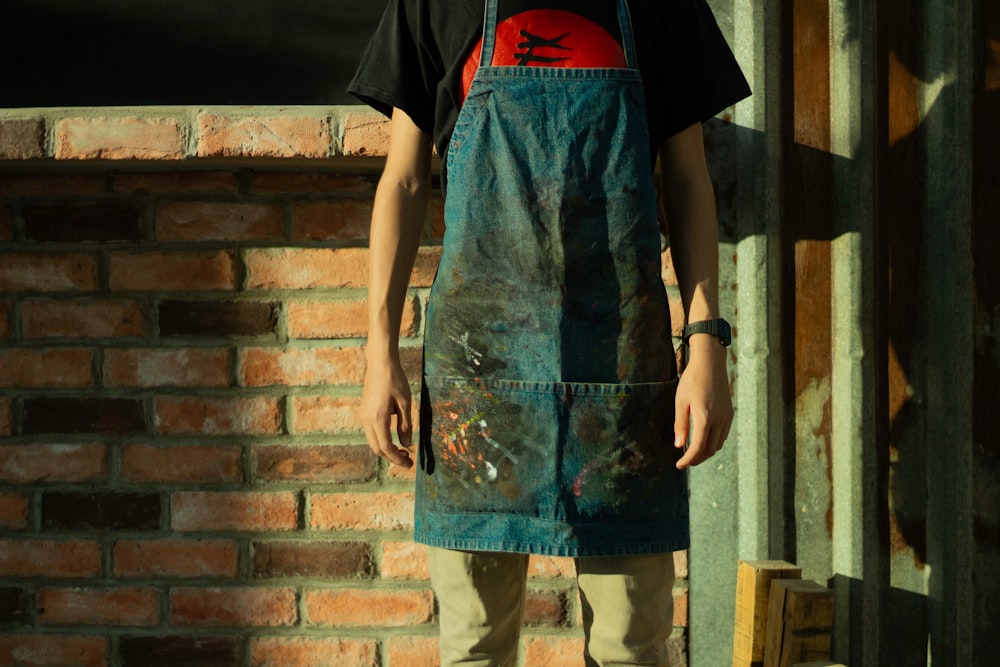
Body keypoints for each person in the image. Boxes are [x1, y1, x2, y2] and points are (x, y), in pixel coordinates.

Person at [351, 1, 749, 664]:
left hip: (622, 374)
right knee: (473, 642)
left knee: (632, 642)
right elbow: (404, 179)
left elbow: (688, 180)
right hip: (480, 380)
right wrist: (378, 350)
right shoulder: (432, 6)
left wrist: (704, 343)